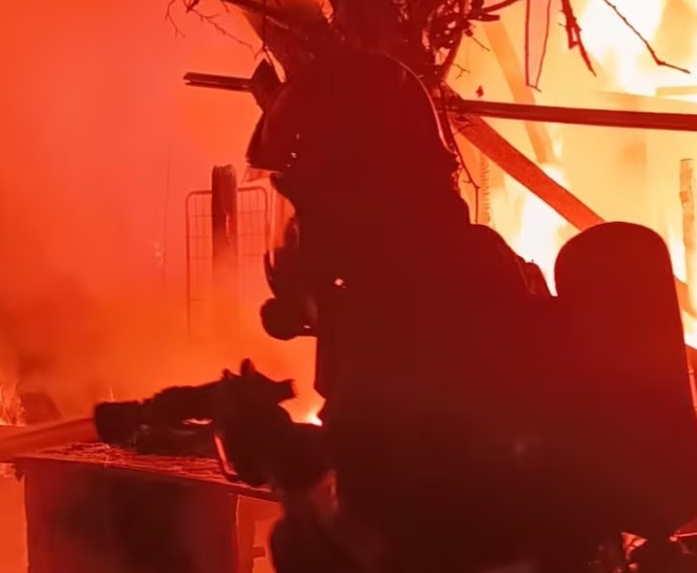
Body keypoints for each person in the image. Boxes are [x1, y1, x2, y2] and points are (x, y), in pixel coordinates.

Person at [247, 49, 616, 573]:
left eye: (303, 204)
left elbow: (361, 549)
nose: (295, 233)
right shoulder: (454, 274)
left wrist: (289, 474)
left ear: (356, 195)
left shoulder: (407, 312)